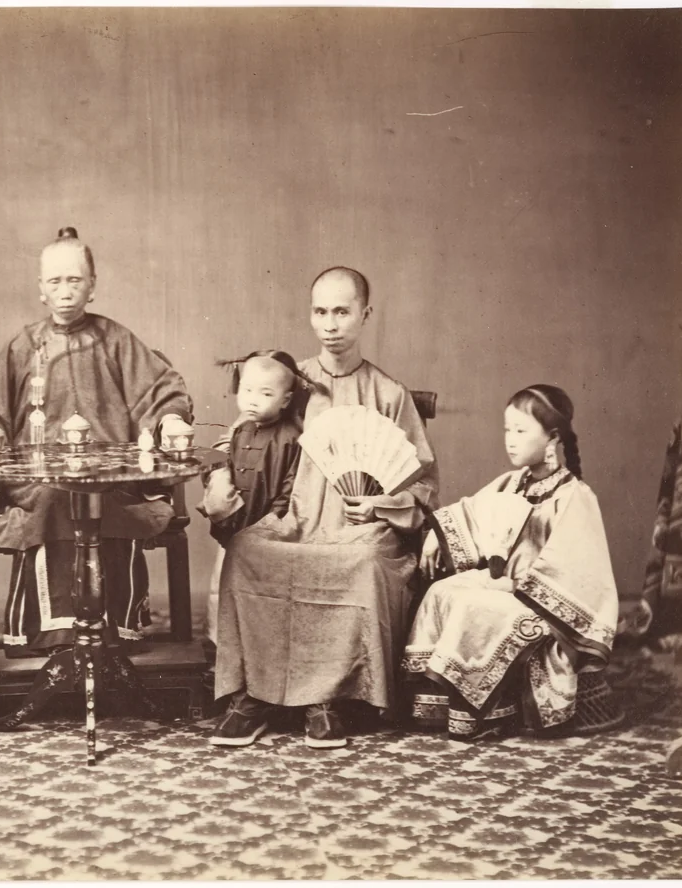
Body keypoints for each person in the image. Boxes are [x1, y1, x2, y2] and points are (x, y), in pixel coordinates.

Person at [211, 267, 439, 749]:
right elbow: (241, 440)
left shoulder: (389, 393)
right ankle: (256, 693)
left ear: (365, 314)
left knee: (364, 564)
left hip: (358, 530)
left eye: (342, 311)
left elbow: (424, 486)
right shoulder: (288, 382)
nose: (331, 324)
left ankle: (327, 699)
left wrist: (381, 505)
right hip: (293, 520)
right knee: (248, 552)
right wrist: (218, 479)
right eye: (320, 311)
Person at [0, 227, 194, 656]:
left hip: (110, 476)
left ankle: (113, 630)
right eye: (55, 282)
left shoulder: (116, 340)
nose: (65, 292)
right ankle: (51, 634)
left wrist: (171, 416)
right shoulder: (25, 345)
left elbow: (160, 390)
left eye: (75, 280)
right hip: (39, 476)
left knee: (103, 501)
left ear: (93, 285)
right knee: (54, 498)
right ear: (41, 289)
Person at [402, 385, 618, 741]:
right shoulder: (513, 483)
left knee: (475, 604)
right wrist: (433, 538)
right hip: (504, 586)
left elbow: (577, 569)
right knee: (443, 592)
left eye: (521, 431)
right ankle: (439, 707)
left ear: (552, 437)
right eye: (507, 430)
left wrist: (517, 585)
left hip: (544, 606)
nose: (511, 440)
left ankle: (490, 714)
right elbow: (470, 513)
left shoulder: (574, 496)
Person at [199, 350, 307, 644]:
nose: (253, 400)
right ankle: (218, 648)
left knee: (264, 592)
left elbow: (291, 483)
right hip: (235, 527)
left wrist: (275, 519)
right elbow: (225, 467)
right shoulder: (239, 431)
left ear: (285, 400)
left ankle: (259, 651)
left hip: (267, 529)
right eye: (246, 390)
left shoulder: (292, 437)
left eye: (266, 393)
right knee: (221, 584)